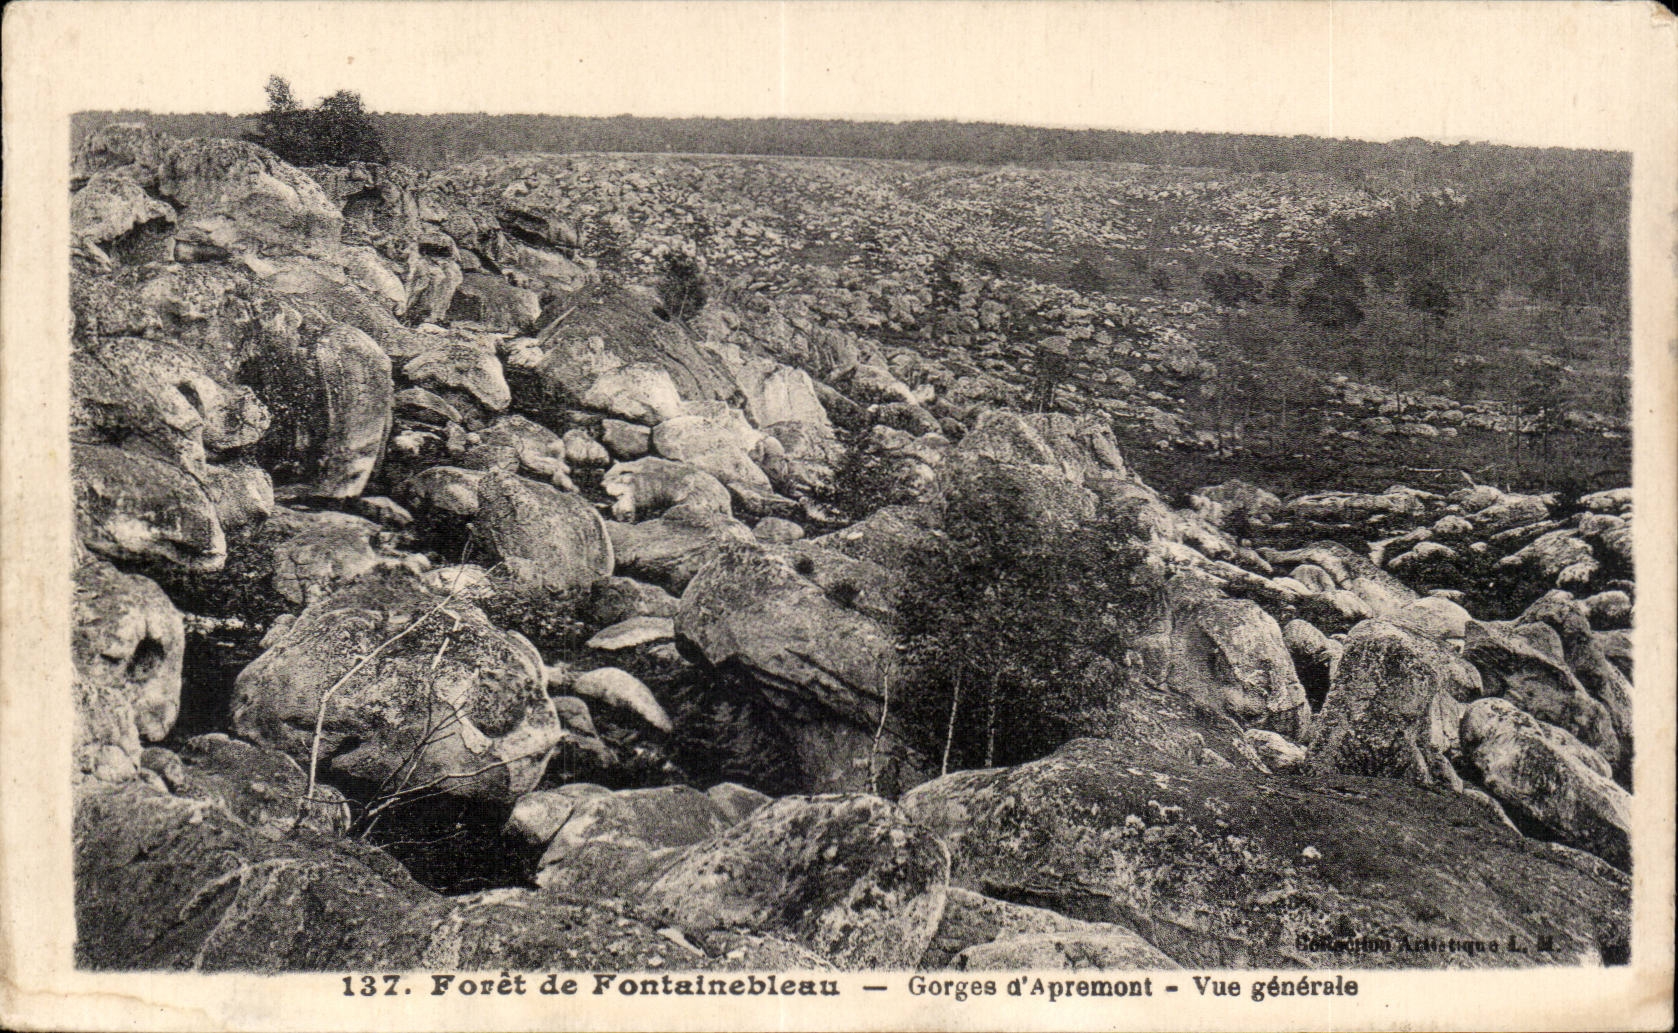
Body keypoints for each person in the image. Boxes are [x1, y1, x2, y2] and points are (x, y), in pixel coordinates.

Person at [1030, 335, 1072, 412]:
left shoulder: (1063, 353)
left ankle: (1043, 409)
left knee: (1048, 391)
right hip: (1046, 373)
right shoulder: (1047, 350)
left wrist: (1061, 375)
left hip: (1051, 374)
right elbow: (1039, 360)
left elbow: (1065, 365)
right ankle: (1038, 409)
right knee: (1042, 390)